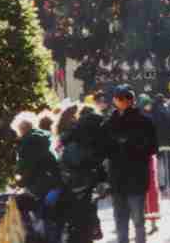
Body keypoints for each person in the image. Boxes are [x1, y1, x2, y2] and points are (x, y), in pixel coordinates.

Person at [104, 85, 159, 243]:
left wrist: (127, 146)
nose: (118, 101)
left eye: (120, 98)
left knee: (128, 220)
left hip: (125, 177)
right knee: (133, 220)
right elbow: (152, 148)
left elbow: (151, 147)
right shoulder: (143, 121)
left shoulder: (112, 123)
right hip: (132, 177)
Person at [57, 102, 106, 243]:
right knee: (82, 226)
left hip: (77, 189)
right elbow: (82, 164)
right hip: (79, 189)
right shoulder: (82, 145)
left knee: (80, 225)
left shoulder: (74, 140)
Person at [11, 111, 62, 200]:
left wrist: (20, 182)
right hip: (54, 182)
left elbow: (28, 166)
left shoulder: (27, 142)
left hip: (38, 187)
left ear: (20, 128)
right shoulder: (45, 137)